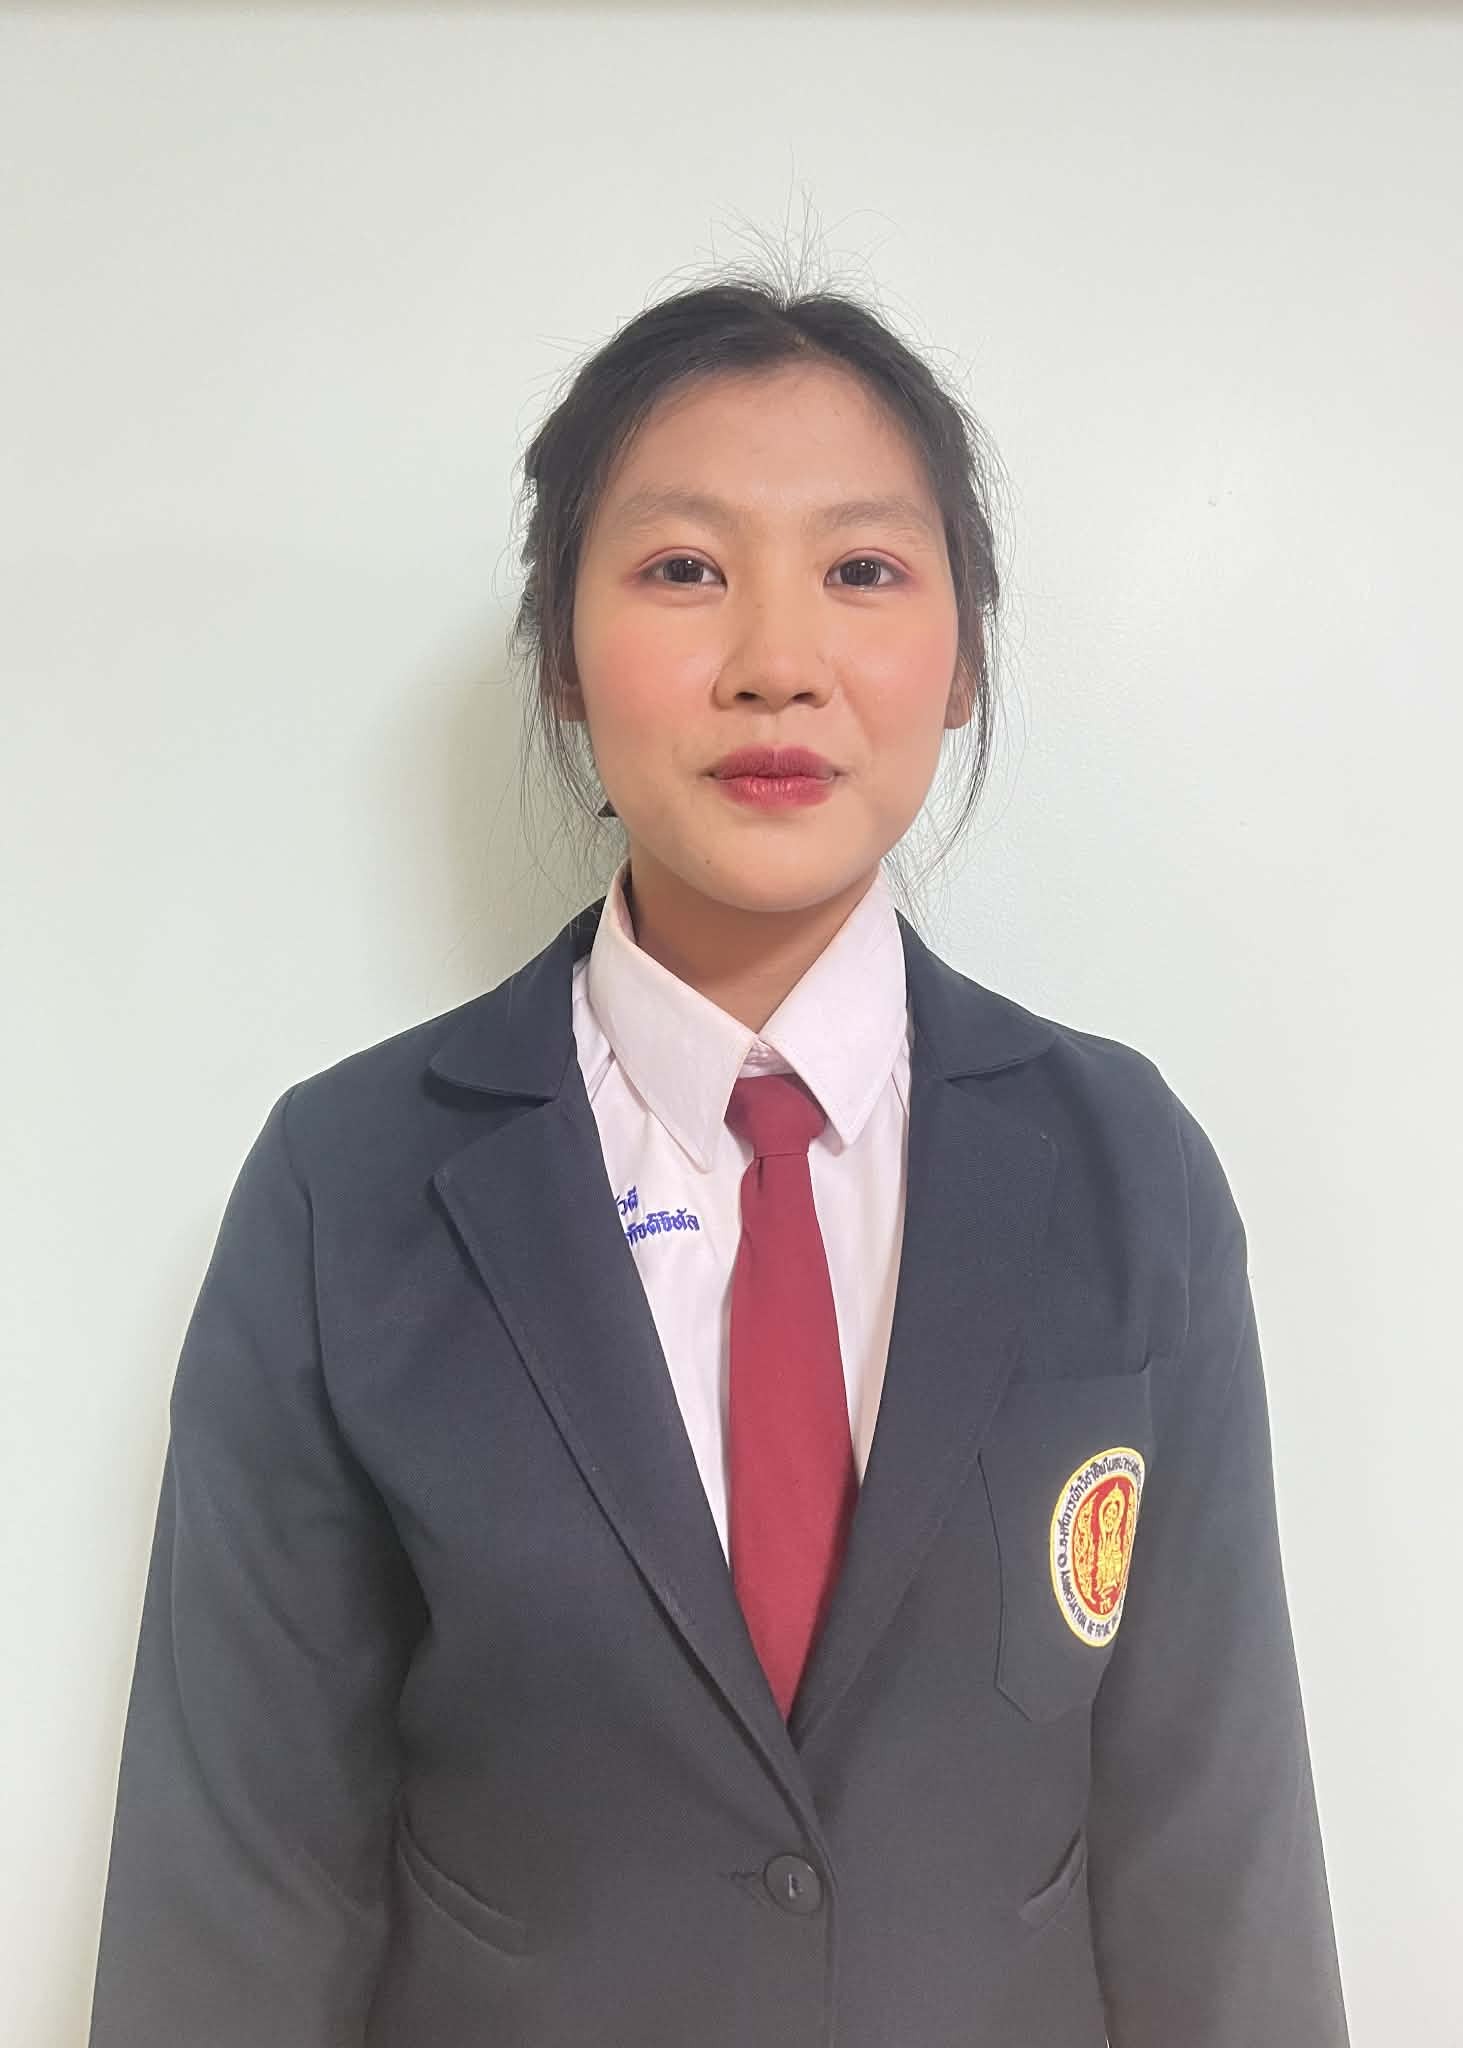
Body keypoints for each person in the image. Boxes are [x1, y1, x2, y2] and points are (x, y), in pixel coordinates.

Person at [88, 271, 1350, 2048]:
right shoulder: (346, 1187)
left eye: (864, 570)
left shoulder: (1124, 1169)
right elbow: (236, 1897)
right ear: (561, 654)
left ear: (963, 658)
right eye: (685, 568)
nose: (776, 659)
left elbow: (1216, 1851)